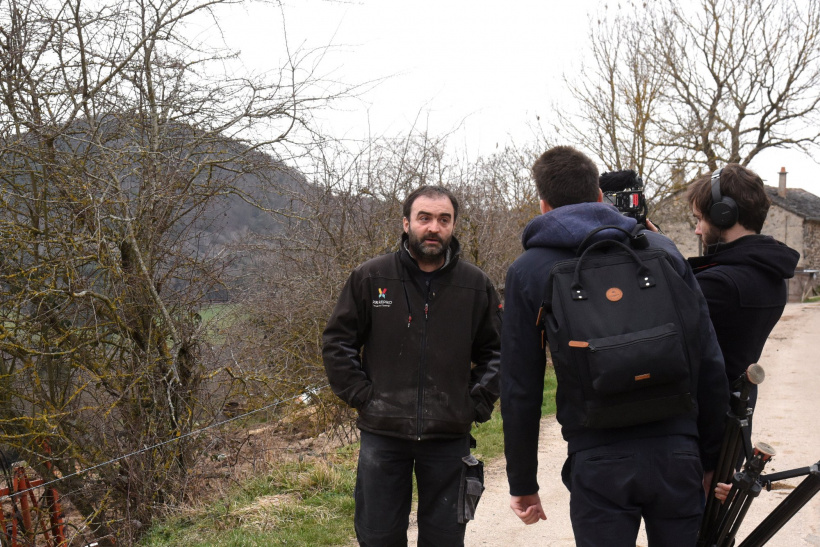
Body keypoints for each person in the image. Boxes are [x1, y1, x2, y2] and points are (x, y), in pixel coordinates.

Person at [501, 146, 729, 546]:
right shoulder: (662, 250)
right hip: (677, 450)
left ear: (543, 205)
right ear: (600, 196)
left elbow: (521, 385)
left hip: (598, 458)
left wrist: (523, 481)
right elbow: (708, 358)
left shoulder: (528, 271)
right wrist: (712, 459)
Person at [322, 185, 502, 547]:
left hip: (449, 438)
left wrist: (475, 403)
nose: (434, 227)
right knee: (378, 537)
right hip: (383, 435)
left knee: (445, 539)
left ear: (453, 225)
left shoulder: (476, 284)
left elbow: (498, 352)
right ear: (406, 223)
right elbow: (337, 342)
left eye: (443, 219)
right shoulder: (371, 278)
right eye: (424, 218)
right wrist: (364, 396)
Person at [687, 164, 799, 409]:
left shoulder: (721, 285)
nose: (697, 230)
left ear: (723, 215)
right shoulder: (769, 273)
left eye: (699, 219)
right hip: (734, 417)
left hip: (706, 427)